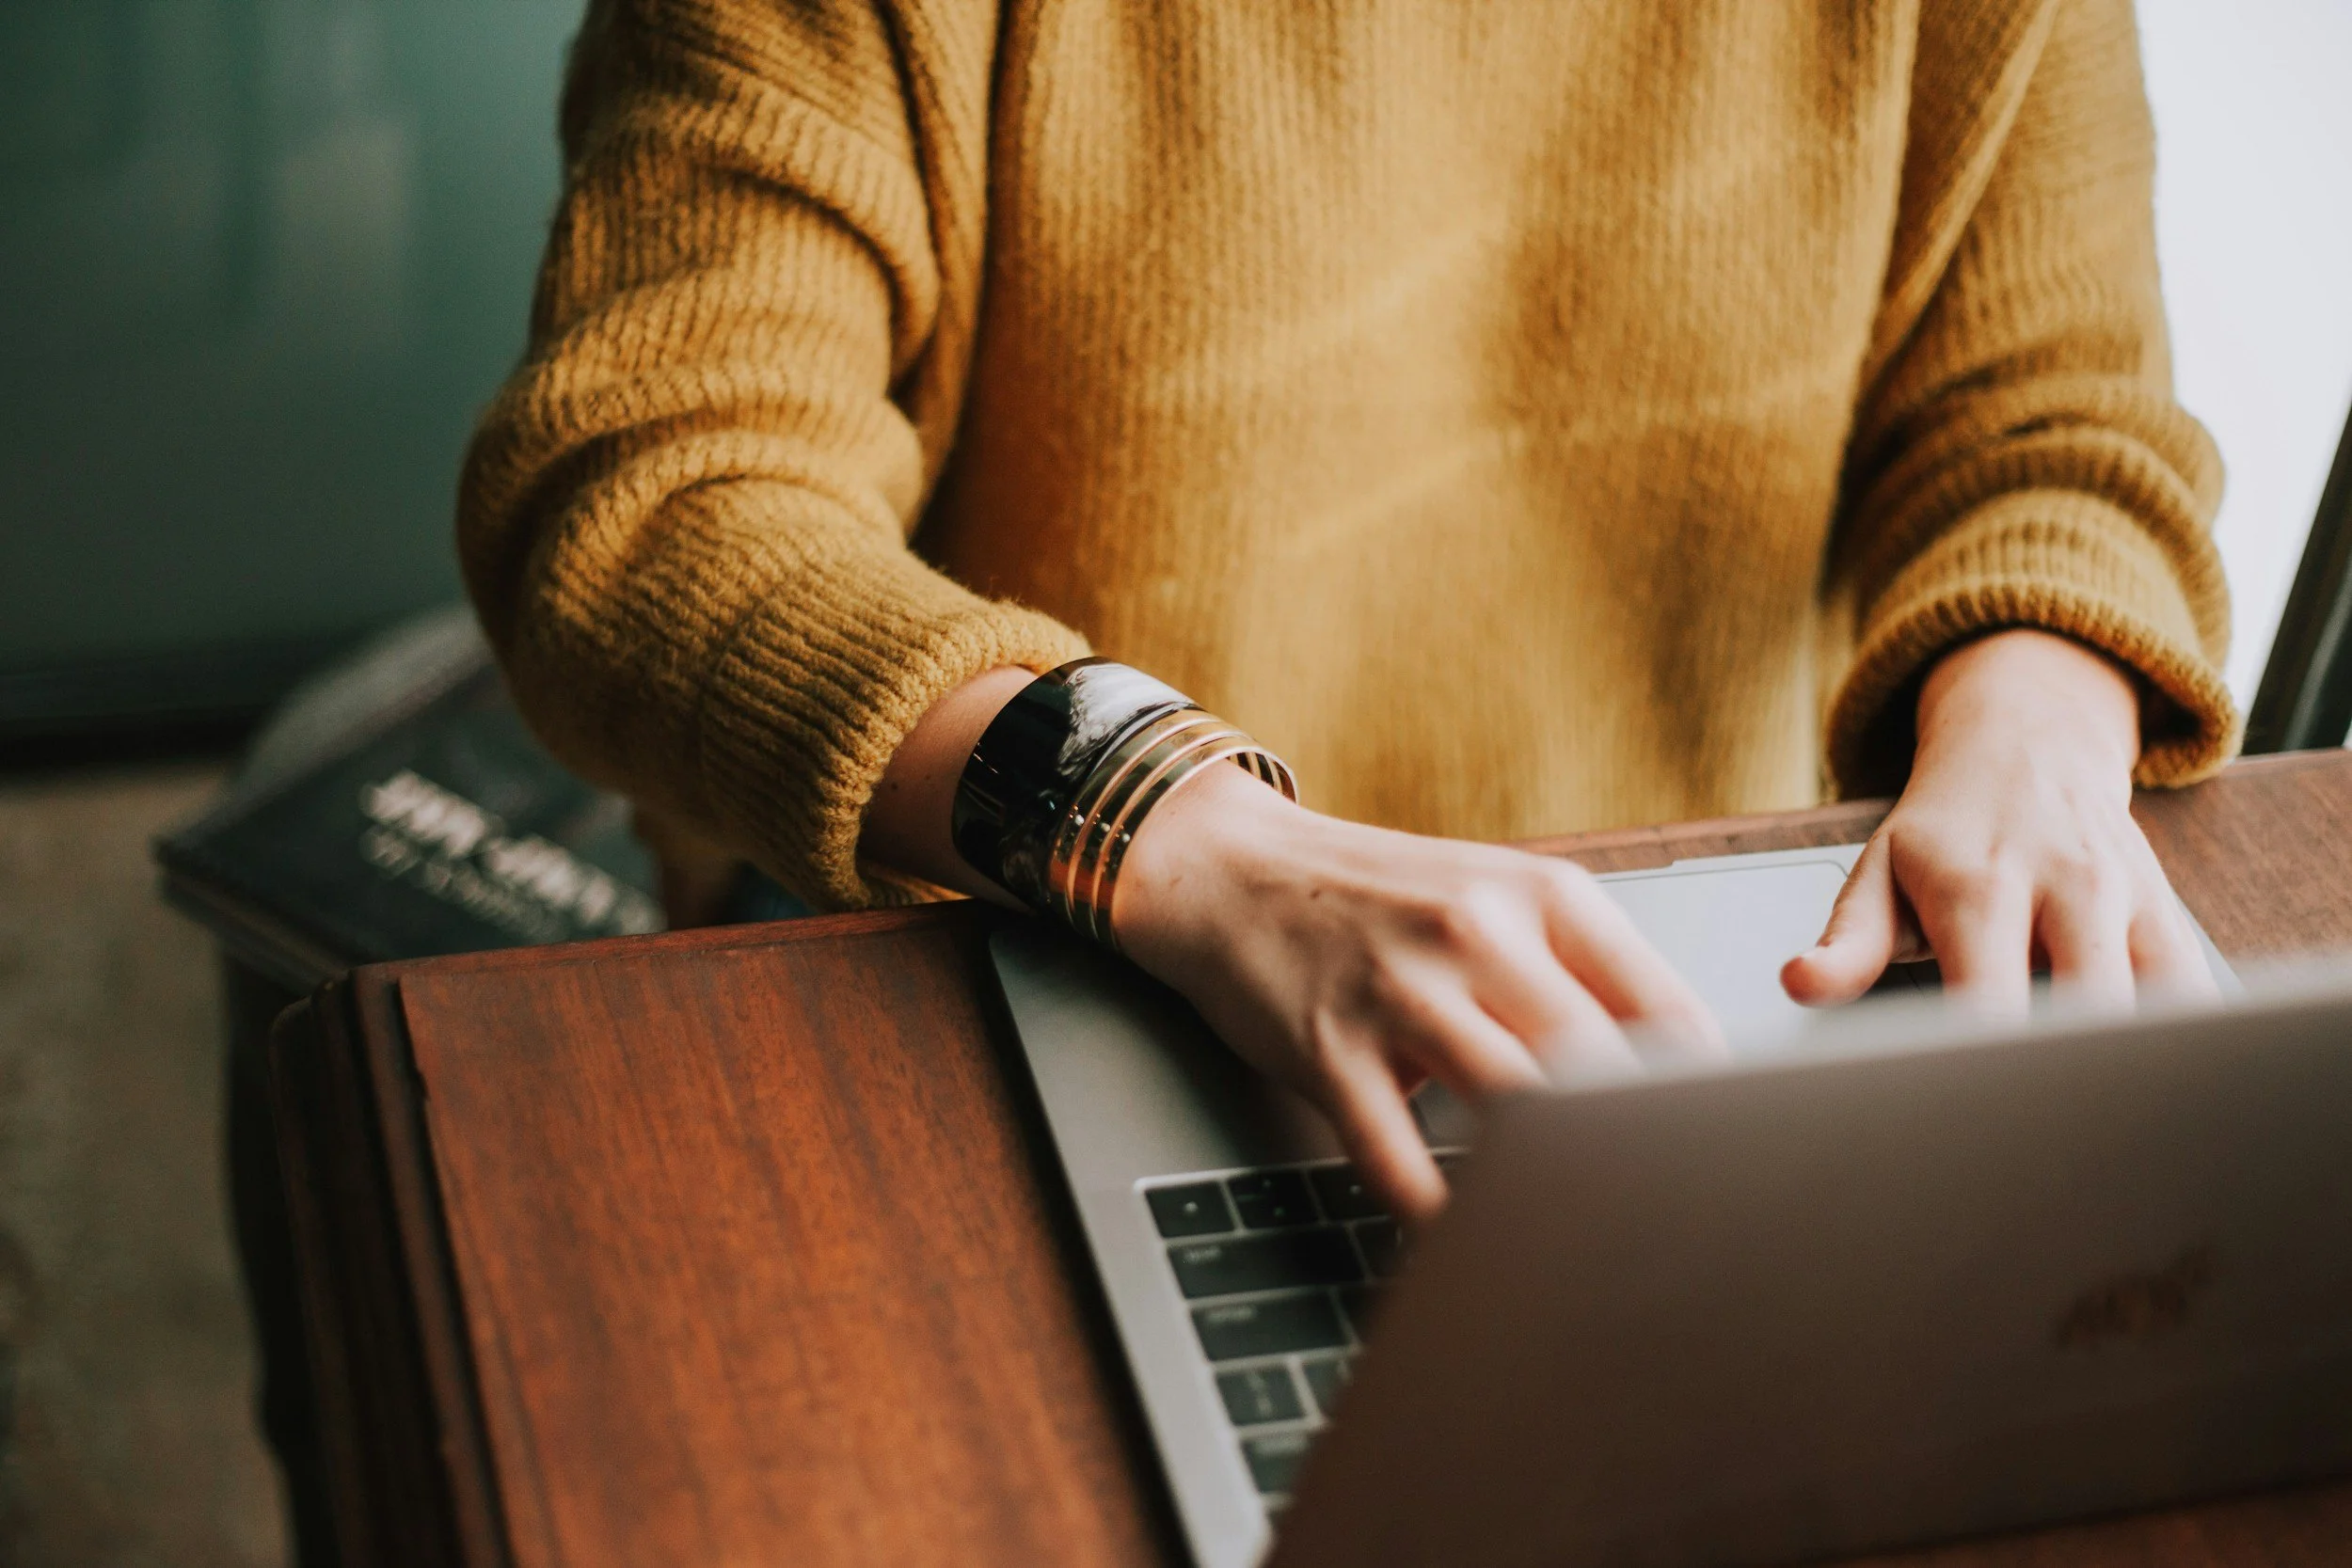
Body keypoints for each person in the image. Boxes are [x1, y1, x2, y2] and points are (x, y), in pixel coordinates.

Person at [460, 0, 2233, 1222]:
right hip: (1020, 935)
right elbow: (649, 492)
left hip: (1685, 994)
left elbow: (2054, 426)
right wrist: (1166, 824)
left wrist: (2039, 718)